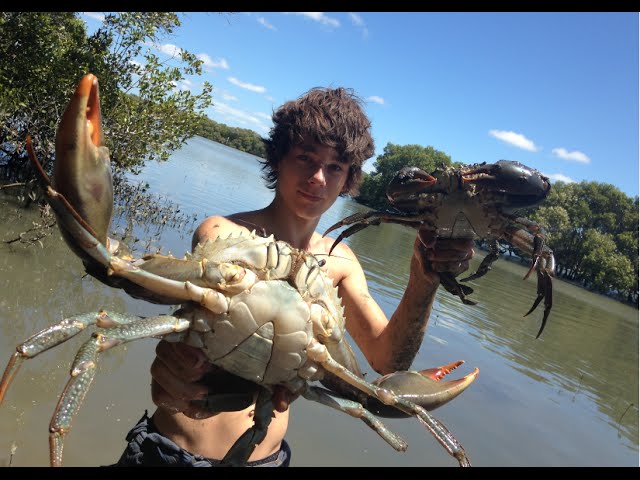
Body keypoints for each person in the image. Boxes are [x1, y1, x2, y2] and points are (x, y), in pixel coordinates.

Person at [114, 87, 475, 467]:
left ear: (349, 178)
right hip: (167, 452)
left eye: (335, 166)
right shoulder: (223, 235)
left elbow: (388, 363)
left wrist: (424, 275)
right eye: (305, 158)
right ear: (279, 160)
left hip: (267, 461)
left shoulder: (340, 262)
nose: (318, 178)